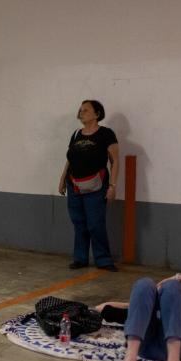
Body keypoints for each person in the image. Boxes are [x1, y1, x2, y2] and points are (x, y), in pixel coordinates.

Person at [58, 100, 119, 271]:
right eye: (80, 109)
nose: (81, 112)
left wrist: (112, 186)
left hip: (96, 187)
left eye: (86, 110)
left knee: (95, 224)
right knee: (79, 222)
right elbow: (70, 159)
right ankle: (80, 258)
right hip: (74, 185)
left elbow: (115, 161)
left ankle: (104, 260)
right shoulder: (76, 134)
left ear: (97, 114)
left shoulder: (106, 134)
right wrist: (63, 178)